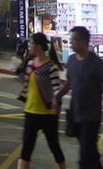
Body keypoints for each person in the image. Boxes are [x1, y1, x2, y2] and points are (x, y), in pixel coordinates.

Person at [54, 26, 103, 169]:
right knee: (91, 154)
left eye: (74, 40)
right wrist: (57, 96)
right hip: (76, 114)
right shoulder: (72, 60)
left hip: (91, 117)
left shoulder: (96, 63)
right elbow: (69, 83)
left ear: (84, 41)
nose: (71, 42)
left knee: (84, 157)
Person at [15, 32, 65, 169]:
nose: (29, 46)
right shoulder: (30, 63)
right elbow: (26, 83)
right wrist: (17, 69)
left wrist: (56, 101)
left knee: (54, 147)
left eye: (31, 43)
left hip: (47, 114)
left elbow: (56, 87)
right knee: (26, 150)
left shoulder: (51, 67)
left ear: (39, 46)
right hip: (31, 111)